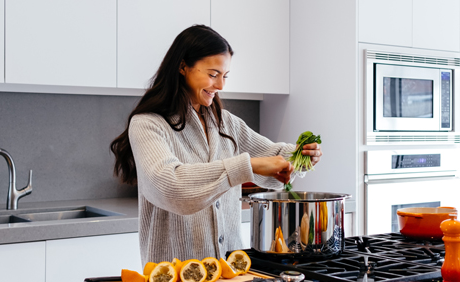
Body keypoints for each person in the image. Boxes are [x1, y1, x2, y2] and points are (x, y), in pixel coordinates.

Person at [110, 25, 322, 264]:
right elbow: (170, 186)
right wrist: (246, 166)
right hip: (175, 274)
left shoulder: (226, 123)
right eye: (213, 74)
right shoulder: (148, 124)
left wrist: (300, 156)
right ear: (182, 67)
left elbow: (272, 156)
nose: (221, 85)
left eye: (225, 76)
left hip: (231, 270)